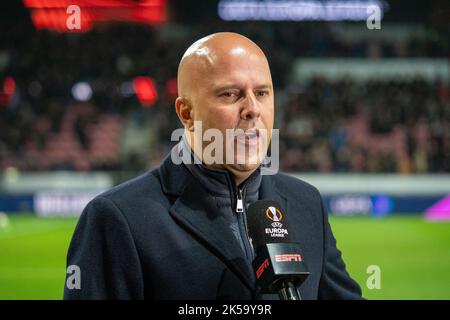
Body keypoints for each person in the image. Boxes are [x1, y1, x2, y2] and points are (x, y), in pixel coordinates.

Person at [64, 32, 362, 299]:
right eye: (230, 94)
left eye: (262, 93)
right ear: (186, 112)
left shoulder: (305, 203)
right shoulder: (118, 218)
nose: (252, 110)